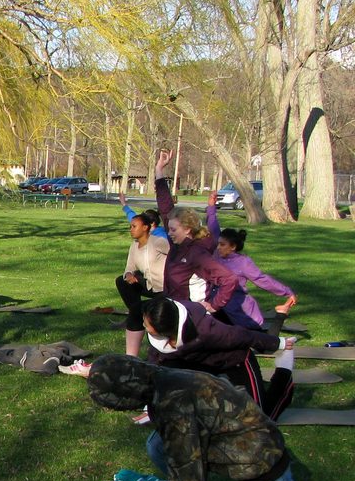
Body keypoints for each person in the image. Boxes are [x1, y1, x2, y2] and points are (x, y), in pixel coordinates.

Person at [87, 354, 355, 481]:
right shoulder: (161, 377)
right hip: (238, 437)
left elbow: (187, 478)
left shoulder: (173, 405)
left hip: (261, 462)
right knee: (157, 445)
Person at [142, 297, 295, 420]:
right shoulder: (158, 335)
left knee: (259, 417)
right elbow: (155, 362)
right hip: (202, 364)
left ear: (166, 329)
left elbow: (242, 336)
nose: (144, 325)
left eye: (147, 324)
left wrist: (278, 343)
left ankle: (284, 371)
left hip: (235, 359)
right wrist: (150, 406)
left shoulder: (206, 330)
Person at [154, 149, 238, 314]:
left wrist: (214, 305)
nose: (169, 233)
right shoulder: (178, 243)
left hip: (193, 316)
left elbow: (229, 279)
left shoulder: (198, 252)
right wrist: (159, 170)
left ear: (187, 229)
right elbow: (165, 207)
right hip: (174, 308)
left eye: (173, 229)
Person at [206, 193, 297, 332]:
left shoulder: (243, 262)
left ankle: (281, 314)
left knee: (261, 342)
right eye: (218, 244)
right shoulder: (218, 255)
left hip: (238, 308)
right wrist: (211, 207)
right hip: (216, 305)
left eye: (222, 245)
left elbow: (262, 280)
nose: (218, 247)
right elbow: (213, 228)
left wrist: (286, 292)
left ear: (233, 247)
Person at [115, 207, 169, 356]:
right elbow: (129, 267)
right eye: (130, 226)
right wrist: (128, 275)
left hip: (164, 288)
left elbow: (175, 256)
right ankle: (136, 315)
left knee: (137, 309)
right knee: (121, 281)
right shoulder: (134, 246)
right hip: (149, 286)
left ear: (145, 228)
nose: (130, 229)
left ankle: (137, 315)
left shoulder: (158, 242)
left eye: (134, 226)